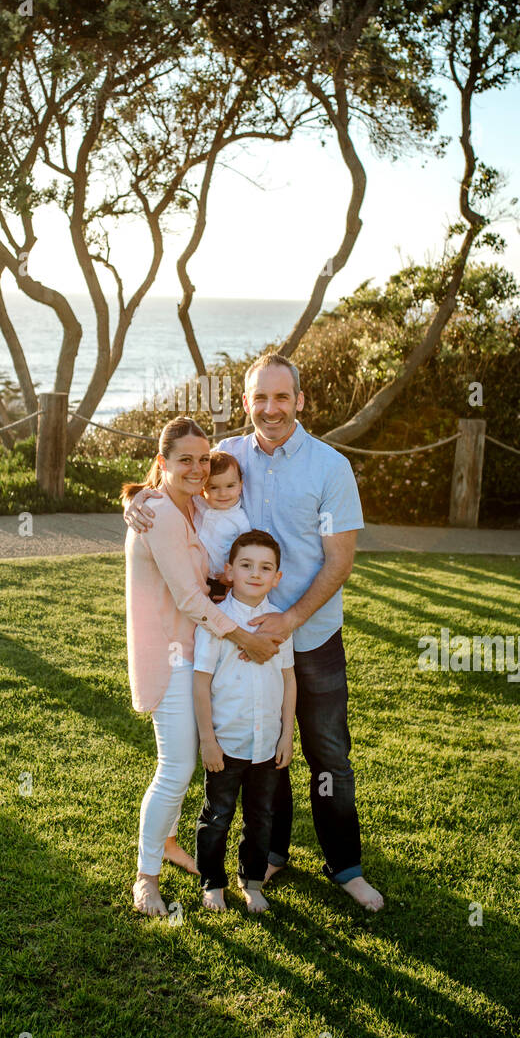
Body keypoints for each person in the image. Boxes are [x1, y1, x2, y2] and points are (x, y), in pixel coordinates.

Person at [124, 353, 384, 912]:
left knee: (328, 755)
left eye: (281, 397)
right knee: (264, 747)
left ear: (300, 401)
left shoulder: (330, 467)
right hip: (234, 640)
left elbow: (340, 562)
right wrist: (134, 502)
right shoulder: (228, 456)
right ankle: (271, 853)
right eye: (259, 398)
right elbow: (175, 485)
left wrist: (288, 621)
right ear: (246, 403)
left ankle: (346, 866)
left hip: (308, 636)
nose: (271, 408)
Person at [122, 416, 282, 917]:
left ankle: (167, 843)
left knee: (182, 761)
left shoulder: (184, 504)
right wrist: (243, 637)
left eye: (202, 459)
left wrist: (132, 499)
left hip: (193, 651)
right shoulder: (163, 515)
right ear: (162, 463)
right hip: (171, 653)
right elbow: (192, 599)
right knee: (176, 767)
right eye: (184, 460)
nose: (197, 468)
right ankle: (146, 877)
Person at [193, 529, 296, 914]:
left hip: (267, 745)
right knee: (217, 816)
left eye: (265, 567)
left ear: (277, 577)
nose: (256, 573)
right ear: (229, 571)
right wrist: (208, 740)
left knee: (260, 818)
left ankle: (251, 881)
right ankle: (212, 882)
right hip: (226, 742)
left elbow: (288, 678)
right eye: (247, 565)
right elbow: (200, 681)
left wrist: (287, 735)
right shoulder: (218, 623)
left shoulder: (279, 624)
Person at [195, 451, 250, 599]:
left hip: (225, 582)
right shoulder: (199, 505)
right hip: (196, 580)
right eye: (214, 487)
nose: (223, 493)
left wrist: (234, 578)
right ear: (203, 489)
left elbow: (246, 554)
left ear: (240, 486)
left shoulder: (240, 520)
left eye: (230, 486)